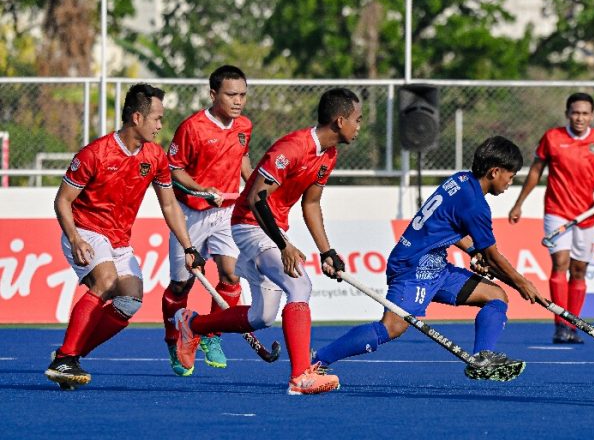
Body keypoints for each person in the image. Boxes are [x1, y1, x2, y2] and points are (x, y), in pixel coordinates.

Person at [173, 88, 362, 395]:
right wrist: (284, 245)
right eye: (357, 119)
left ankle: (192, 325)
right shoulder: (293, 147)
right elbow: (256, 197)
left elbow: (311, 204)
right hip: (250, 224)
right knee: (300, 285)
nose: (359, 126)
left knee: (260, 317)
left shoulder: (329, 155)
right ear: (340, 121)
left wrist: (328, 251)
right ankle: (301, 375)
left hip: (272, 230)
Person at [312, 136, 544, 382]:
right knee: (392, 327)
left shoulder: (460, 180)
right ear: (494, 171)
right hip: (413, 267)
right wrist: (522, 284)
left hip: (436, 265)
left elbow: (443, 228)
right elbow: (494, 258)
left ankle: (482, 358)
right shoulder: (476, 205)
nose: (511, 182)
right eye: (510, 175)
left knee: (496, 296)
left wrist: (474, 252)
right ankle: (317, 360)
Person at [45, 83, 204, 390]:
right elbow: (62, 200)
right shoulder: (95, 154)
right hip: (86, 229)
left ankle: (72, 355)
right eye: (156, 118)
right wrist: (76, 239)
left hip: (119, 240)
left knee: (130, 301)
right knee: (105, 281)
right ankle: (64, 357)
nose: (160, 125)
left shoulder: (155, 157)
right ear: (136, 118)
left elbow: (169, 204)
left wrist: (189, 246)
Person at [160, 65, 253, 376]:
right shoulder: (193, 127)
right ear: (213, 94)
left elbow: (242, 157)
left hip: (226, 213)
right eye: (231, 94)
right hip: (190, 213)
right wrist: (201, 189)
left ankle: (212, 335)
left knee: (231, 275)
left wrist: (254, 186)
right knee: (180, 284)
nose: (238, 100)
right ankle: (174, 339)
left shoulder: (244, 126)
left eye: (242, 94)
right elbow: (174, 169)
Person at [508, 93, 594, 344]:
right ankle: (560, 324)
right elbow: (536, 171)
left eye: (584, 113)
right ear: (567, 113)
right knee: (560, 264)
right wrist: (519, 203)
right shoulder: (552, 138)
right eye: (575, 112)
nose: (579, 117)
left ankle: (573, 326)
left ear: (592, 116)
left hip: (586, 215)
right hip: (557, 211)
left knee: (579, 270)